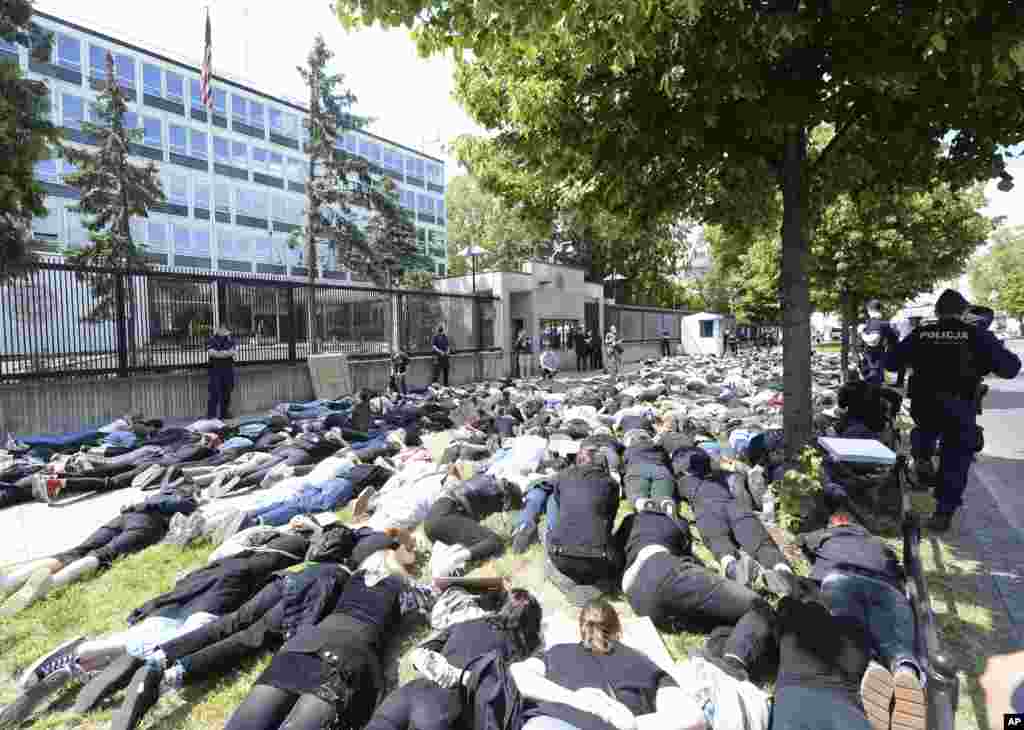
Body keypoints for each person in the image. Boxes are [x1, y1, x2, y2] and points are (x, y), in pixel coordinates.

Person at [222, 550, 435, 730]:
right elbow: (430, 604)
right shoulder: (403, 588)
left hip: (306, 644)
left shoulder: (354, 578)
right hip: (351, 652)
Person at [885, 289, 1021, 531]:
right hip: (961, 405)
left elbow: (891, 363)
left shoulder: (921, 333)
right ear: (963, 312)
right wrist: (989, 354)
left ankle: (922, 457)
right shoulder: (977, 335)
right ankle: (942, 514)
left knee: (924, 429)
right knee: (956, 458)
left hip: (925, 404)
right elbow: (1010, 369)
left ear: (937, 312)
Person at [797, 509, 926, 729]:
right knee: (896, 642)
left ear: (835, 522)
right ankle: (905, 669)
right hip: (887, 587)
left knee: (851, 632)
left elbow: (800, 543)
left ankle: (869, 667)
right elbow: (897, 568)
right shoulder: (879, 542)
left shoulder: (824, 535)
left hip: (841, 579)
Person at [615, 510, 777, 684]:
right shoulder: (674, 523)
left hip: (639, 599)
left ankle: (715, 659)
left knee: (730, 616)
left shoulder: (629, 522)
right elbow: (690, 560)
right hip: (664, 572)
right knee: (757, 606)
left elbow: (612, 555)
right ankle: (732, 665)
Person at [510, 599, 707, 730]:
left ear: (581, 630)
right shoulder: (643, 663)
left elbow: (517, 675)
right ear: (618, 630)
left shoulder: (555, 652)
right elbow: (691, 717)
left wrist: (573, 699)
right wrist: (629, 723)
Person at [364, 588, 543, 730]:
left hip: (410, 693)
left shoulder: (464, 625)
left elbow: (420, 652)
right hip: (445, 709)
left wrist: (432, 666)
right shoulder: (517, 652)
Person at [544, 443, 623, 605]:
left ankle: (569, 582)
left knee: (545, 532)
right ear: (603, 464)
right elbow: (610, 520)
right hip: (598, 561)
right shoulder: (611, 484)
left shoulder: (562, 476)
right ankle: (598, 586)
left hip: (561, 557)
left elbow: (559, 504)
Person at [857, 300, 899, 385]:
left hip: (870, 362)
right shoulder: (885, 324)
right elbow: (894, 339)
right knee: (877, 385)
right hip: (878, 361)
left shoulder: (871, 323)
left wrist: (861, 333)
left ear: (869, 310)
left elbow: (873, 341)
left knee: (871, 385)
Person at [207, 324, 238, 420]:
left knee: (227, 392)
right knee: (214, 392)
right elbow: (211, 352)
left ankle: (224, 413)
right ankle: (211, 414)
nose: (224, 331)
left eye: (225, 329)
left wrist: (219, 353)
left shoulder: (230, 340)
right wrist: (225, 353)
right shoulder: (212, 339)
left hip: (228, 370)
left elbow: (233, 352)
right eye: (222, 328)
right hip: (215, 370)